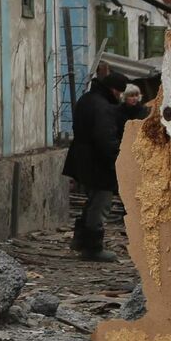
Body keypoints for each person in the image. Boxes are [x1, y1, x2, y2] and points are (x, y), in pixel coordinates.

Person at [63, 71, 137, 262]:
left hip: (83, 159)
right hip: (98, 162)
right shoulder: (103, 107)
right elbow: (106, 139)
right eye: (120, 93)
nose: (120, 96)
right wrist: (118, 160)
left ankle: (80, 240)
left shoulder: (88, 99)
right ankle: (92, 248)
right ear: (114, 90)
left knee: (92, 200)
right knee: (101, 203)